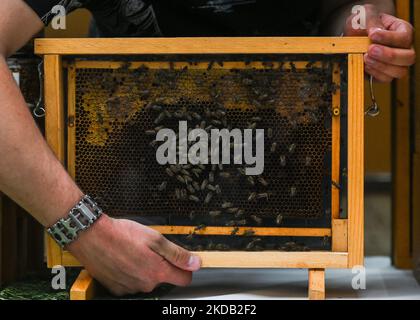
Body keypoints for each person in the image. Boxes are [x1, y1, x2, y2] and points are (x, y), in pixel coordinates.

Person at [0, 0, 415, 296]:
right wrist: (84, 229)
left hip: (293, 220)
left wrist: (363, 27)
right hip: (128, 231)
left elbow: (346, 10)